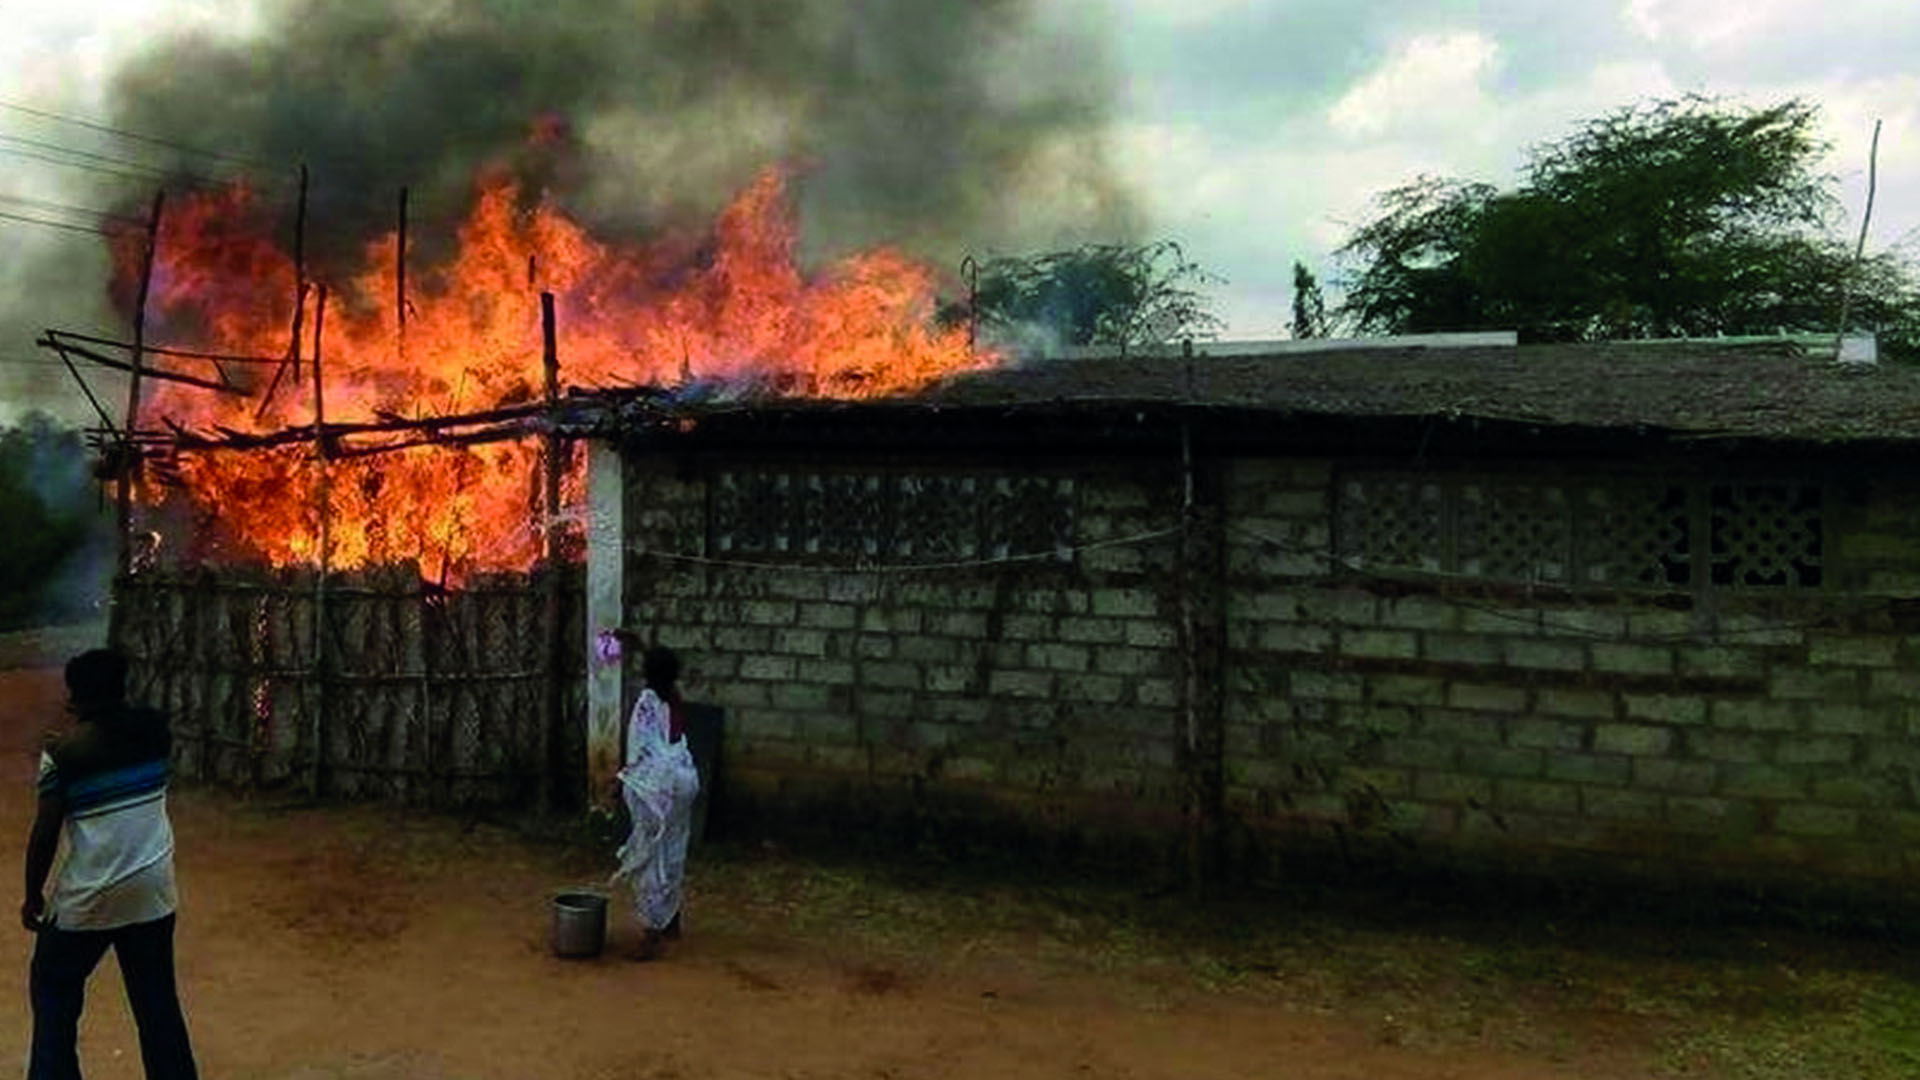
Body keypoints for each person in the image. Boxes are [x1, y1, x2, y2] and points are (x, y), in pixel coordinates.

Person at [23, 648, 197, 1079]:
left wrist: (32, 896)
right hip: (153, 892)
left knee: (53, 989)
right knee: (157, 1002)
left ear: (75, 698)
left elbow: (46, 833)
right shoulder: (156, 731)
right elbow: (124, 729)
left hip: (90, 896)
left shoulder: (63, 756)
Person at [608, 644, 699, 961]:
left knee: (650, 857)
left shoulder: (647, 702)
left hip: (658, 786)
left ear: (647, 674)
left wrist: (624, 781)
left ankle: (651, 935)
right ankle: (671, 921)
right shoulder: (673, 696)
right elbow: (660, 665)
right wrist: (638, 640)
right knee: (673, 850)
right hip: (685, 780)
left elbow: (641, 748)